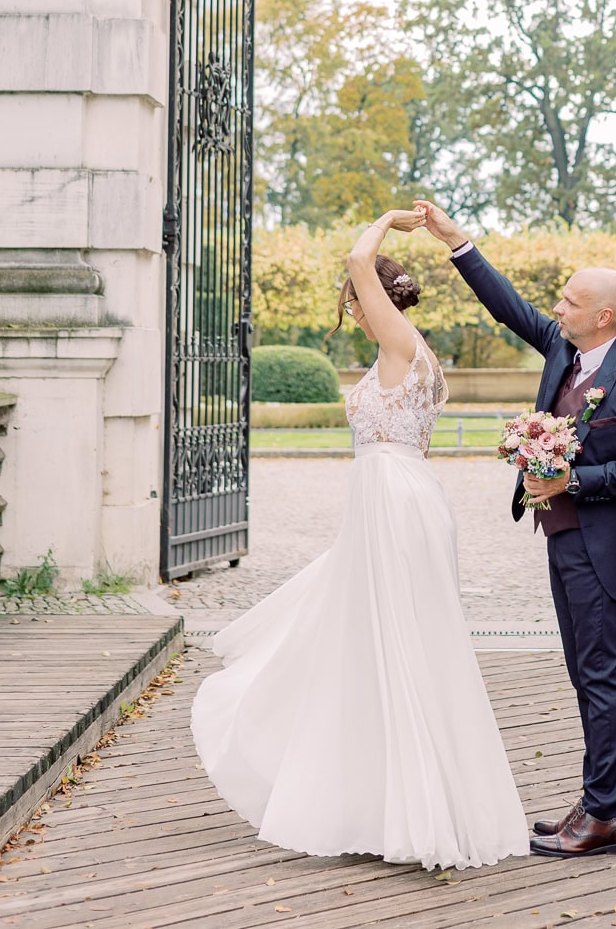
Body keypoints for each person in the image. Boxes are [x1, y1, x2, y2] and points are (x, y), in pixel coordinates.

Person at [190, 207, 529, 871]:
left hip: (395, 501)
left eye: (359, 299)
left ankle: (418, 808)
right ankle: (384, 799)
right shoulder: (407, 349)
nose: (356, 307)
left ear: (370, 298)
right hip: (399, 498)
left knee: (401, 641)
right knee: (373, 639)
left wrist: (386, 221)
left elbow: (354, 260)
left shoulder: (401, 343)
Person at [416, 199, 616, 859]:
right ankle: (595, 803)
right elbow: (509, 308)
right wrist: (457, 240)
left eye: (569, 300)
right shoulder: (565, 349)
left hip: (602, 547)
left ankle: (608, 813)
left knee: (600, 673)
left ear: (603, 316)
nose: (556, 308)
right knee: (581, 672)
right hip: (562, 539)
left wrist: (574, 483)